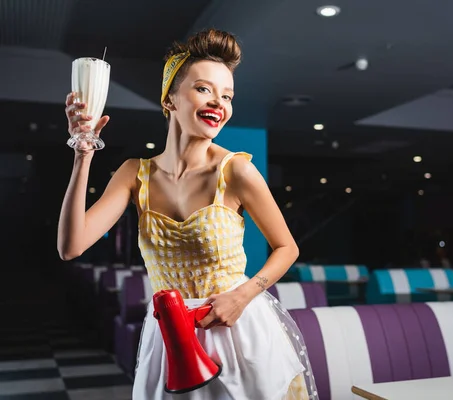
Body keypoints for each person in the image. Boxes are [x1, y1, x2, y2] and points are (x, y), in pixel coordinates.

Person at [58, 29, 318, 400]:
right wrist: (83, 152)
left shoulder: (236, 172)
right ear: (170, 99)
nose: (219, 103)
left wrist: (242, 297)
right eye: (204, 89)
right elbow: (71, 247)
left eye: (227, 95)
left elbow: (286, 248)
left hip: (237, 328)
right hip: (170, 337)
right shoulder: (135, 173)